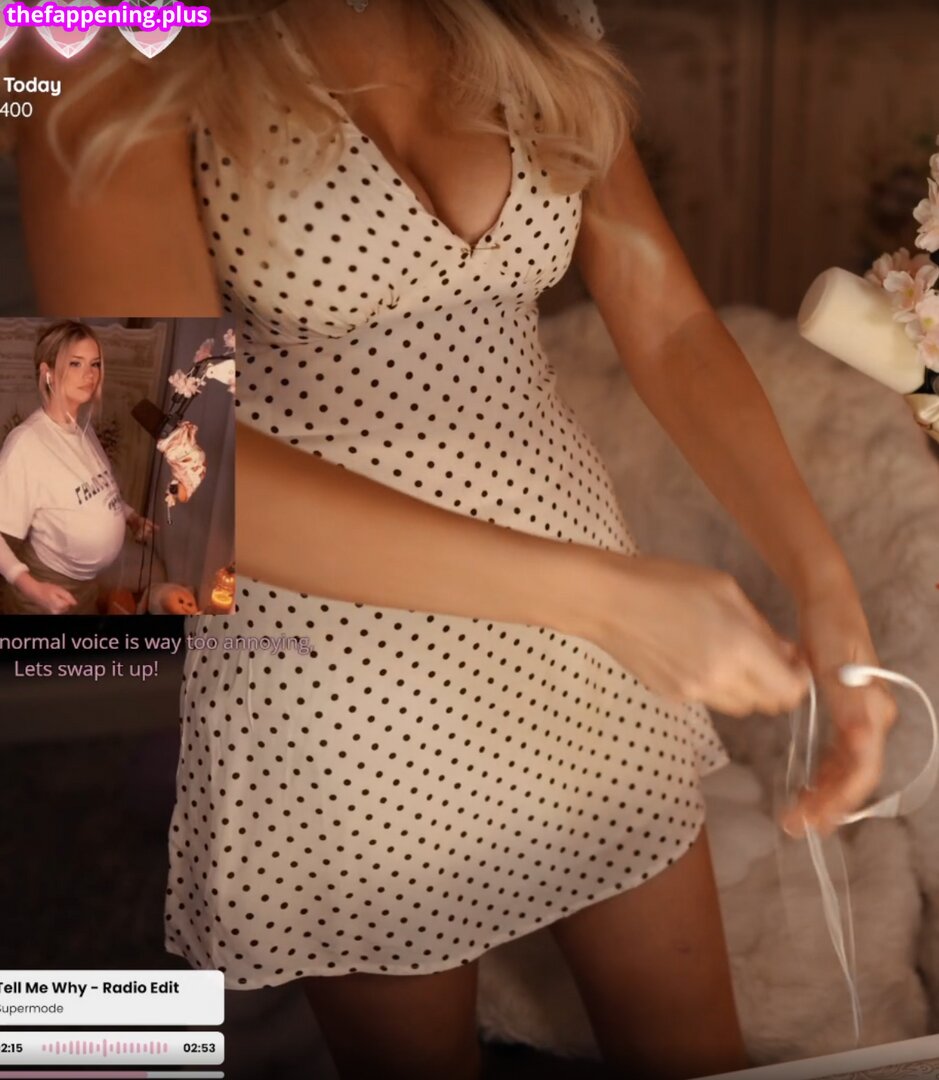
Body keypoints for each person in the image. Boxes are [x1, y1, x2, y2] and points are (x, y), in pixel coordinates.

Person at [12, 1, 896, 1075]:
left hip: (585, 615)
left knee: (695, 1055)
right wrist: (612, 601)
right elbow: (167, 463)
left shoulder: (539, 15)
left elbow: (667, 321)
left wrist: (823, 582)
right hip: (338, 662)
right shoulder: (90, 36)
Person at [0, 321, 155, 615]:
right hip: (43, 593)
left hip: (85, 590)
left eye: (95, 364)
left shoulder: (82, 427)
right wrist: (32, 588)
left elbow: (96, 488)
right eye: (75, 363)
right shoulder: (26, 444)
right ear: (48, 373)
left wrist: (132, 517)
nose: (90, 374)